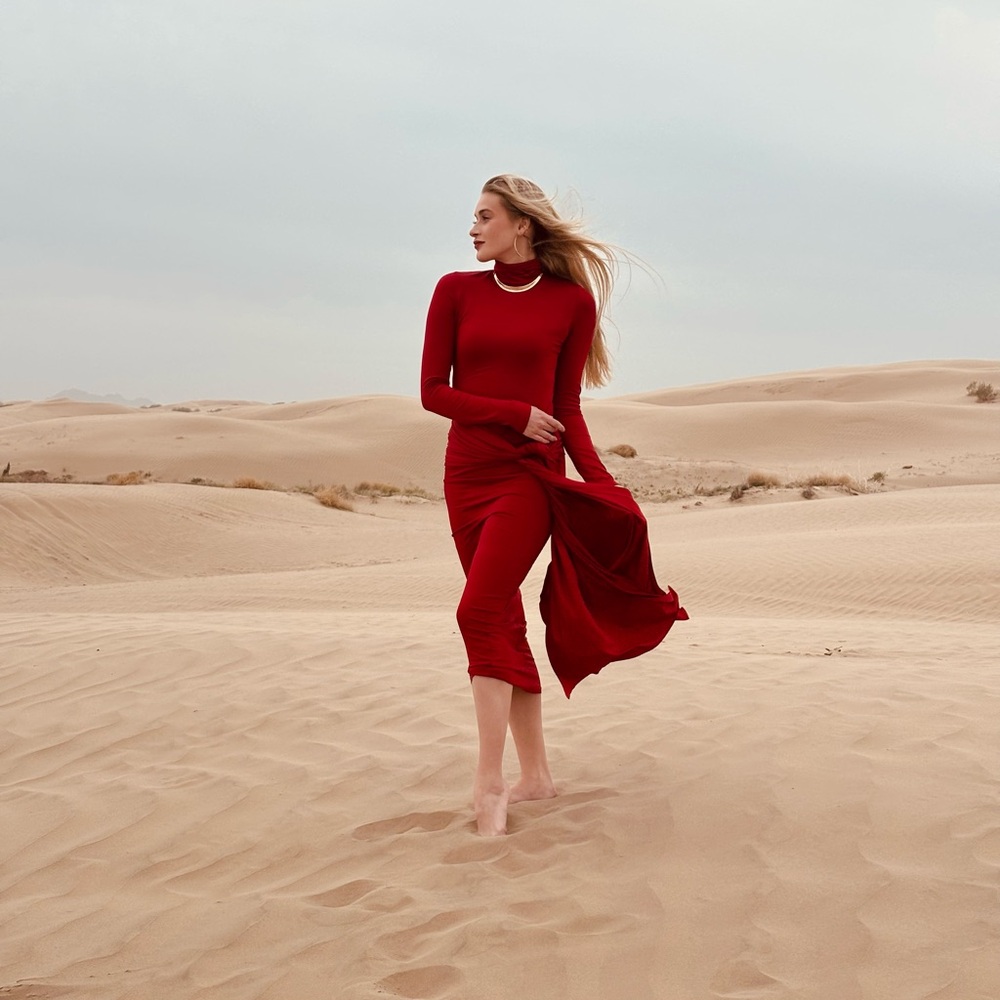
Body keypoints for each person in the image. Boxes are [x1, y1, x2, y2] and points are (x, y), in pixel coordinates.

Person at [421, 174, 686, 836]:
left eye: (485, 216)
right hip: (466, 474)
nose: (473, 227)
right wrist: (514, 413)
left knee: (477, 609)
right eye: (472, 217)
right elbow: (433, 392)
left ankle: (489, 785)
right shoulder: (455, 291)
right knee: (500, 619)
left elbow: (567, 408)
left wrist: (601, 485)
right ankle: (535, 776)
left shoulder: (571, 303)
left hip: (527, 480)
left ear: (522, 226)